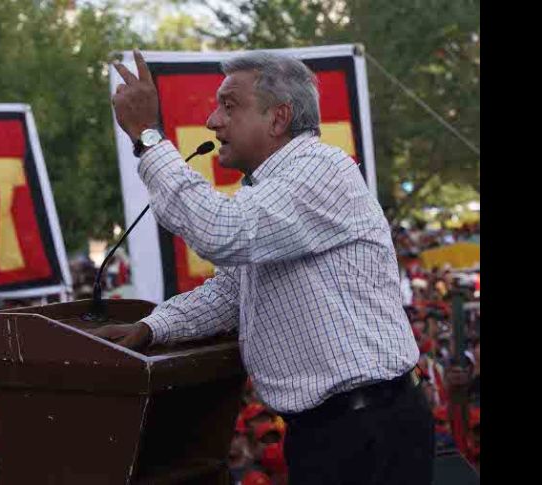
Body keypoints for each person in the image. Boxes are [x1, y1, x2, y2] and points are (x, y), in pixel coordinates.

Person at [96, 49, 433, 484]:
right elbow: (230, 292)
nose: (213, 121)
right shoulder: (273, 190)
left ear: (278, 119)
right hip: (335, 433)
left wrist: (147, 136)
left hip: (366, 432)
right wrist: (152, 327)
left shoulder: (317, 170)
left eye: (229, 106)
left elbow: (220, 231)